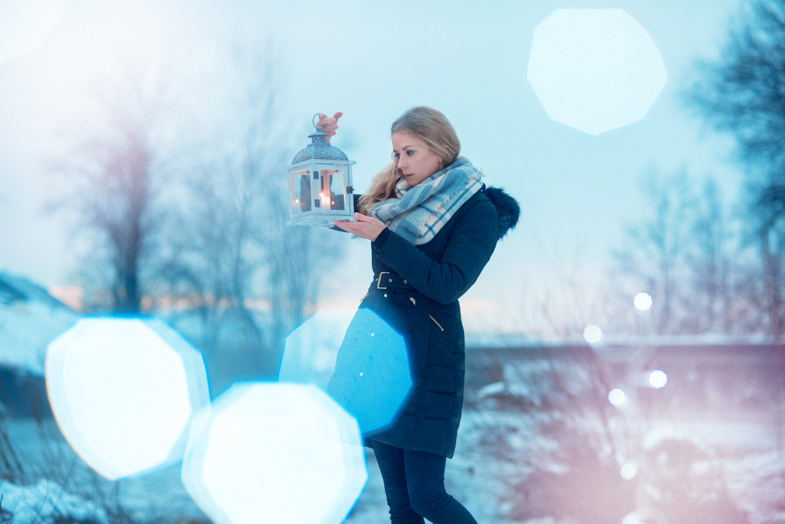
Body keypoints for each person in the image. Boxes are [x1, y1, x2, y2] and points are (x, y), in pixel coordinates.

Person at [322, 107, 519, 524]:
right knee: (401, 504)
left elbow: (448, 283)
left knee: (427, 496)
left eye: (409, 152)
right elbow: (324, 208)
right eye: (396, 154)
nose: (400, 164)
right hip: (378, 349)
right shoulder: (394, 201)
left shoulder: (476, 210)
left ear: (439, 149)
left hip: (427, 357)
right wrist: (322, 147)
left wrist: (384, 238)